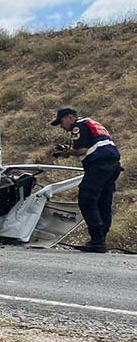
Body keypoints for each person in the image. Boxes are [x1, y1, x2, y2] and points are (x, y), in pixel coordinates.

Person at [51, 107, 123, 252]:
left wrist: (66, 152)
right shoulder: (92, 123)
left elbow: (82, 149)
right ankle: (100, 239)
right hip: (113, 165)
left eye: (61, 121)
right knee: (104, 201)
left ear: (70, 118)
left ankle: (97, 240)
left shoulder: (78, 126)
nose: (61, 126)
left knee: (87, 199)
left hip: (99, 165)